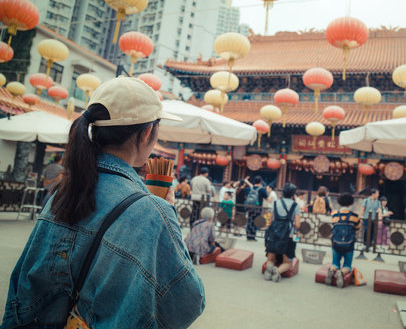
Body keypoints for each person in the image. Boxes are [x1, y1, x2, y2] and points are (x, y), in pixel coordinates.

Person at [1, 77, 204, 328]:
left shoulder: (62, 192)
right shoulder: (154, 212)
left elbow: (25, 281)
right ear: (148, 132)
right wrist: (166, 213)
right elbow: (188, 301)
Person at [263, 183, 301, 282]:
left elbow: (270, 221)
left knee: (270, 259)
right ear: (293, 194)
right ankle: (278, 271)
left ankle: (269, 270)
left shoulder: (276, 203)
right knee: (288, 262)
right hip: (288, 236)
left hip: (274, 234)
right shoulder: (295, 205)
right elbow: (297, 225)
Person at [327, 193, 361, 288]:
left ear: (339, 202)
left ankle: (332, 270)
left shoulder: (335, 215)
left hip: (336, 244)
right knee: (347, 266)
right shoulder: (354, 216)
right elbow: (358, 228)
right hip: (349, 245)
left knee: (335, 263)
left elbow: (333, 226)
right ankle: (341, 272)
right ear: (350, 203)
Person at [245, 176, 268, 241]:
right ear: (260, 182)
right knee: (255, 221)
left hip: (250, 207)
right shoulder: (262, 189)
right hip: (257, 208)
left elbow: (246, 196)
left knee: (250, 220)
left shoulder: (250, 188)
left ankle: (248, 236)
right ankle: (253, 236)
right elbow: (267, 198)